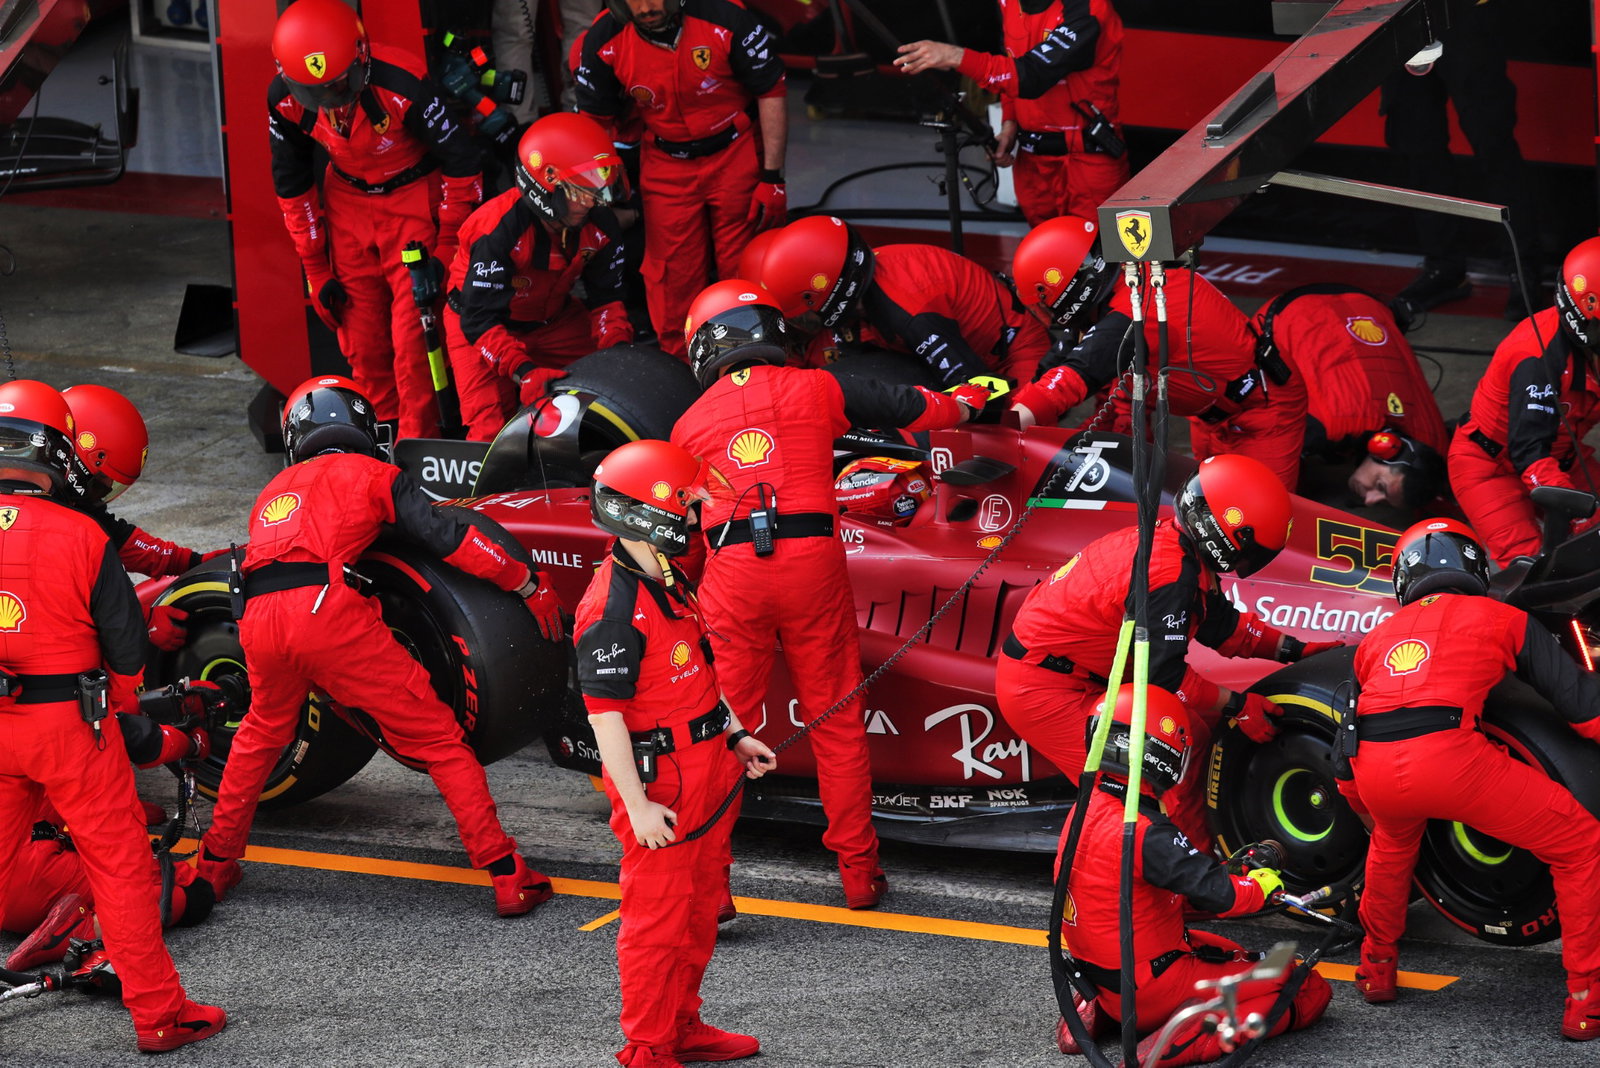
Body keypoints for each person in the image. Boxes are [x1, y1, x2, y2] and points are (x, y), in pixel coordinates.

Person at [670, 280, 988, 908]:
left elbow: (680, 536)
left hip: (733, 572)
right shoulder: (818, 386)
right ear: (767, 330)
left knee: (721, 729)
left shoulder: (685, 424)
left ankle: (711, 886)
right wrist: (969, 400)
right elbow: (911, 406)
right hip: (814, 561)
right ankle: (858, 874)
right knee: (837, 721)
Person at [196, 376, 563, 916]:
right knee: (440, 741)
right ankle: (509, 876)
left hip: (257, 620)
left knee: (258, 739)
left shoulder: (274, 493)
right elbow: (448, 536)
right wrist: (524, 582)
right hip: (325, 614)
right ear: (364, 428)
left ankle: (214, 866)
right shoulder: (373, 472)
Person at [0, 379, 225, 1052]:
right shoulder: (80, 532)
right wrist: (157, 733)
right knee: (124, 870)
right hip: (69, 729)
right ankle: (160, 1016)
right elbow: (128, 655)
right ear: (58, 452)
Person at [995, 453, 1340, 852]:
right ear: (1226, 534)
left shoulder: (1174, 546)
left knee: (1196, 739)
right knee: (1153, 771)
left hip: (1092, 676)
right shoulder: (1169, 574)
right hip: (1048, 689)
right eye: (1252, 549)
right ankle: (1191, 884)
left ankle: (1208, 858)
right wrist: (1239, 705)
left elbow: (1223, 625)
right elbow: (1162, 678)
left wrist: (1296, 650)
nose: (1252, 561)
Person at [1343, 517, 1600, 1039]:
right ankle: (1587, 1000)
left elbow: (1343, 738)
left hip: (1373, 769)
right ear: (1476, 567)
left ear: (1404, 580)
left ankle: (1375, 973)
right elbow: (1581, 707)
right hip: (1453, 758)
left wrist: (1361, 801)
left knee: (1391, 849)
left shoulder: (1373, 640)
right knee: (1579, 843)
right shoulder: (1501, 615)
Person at [575, 438, 777, 1068]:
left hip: (708, 765)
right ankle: (647, 1047)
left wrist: (736, 733)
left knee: (695, 910)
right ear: (647, 514)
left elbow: (699, 678)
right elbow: (603, 716)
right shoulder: (613, 608)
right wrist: (636, 806)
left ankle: (680, 1024)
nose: (694, 518)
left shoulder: (663, 574)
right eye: (686, 506)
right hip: (659, 782)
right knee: (655, 920)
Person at [1060, 684, 1331, 1065]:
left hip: (1110, 976)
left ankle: (1101, 1010)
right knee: (1301, 981)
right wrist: (1261, 885)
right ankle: (1187, 1035)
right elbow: (1219, 896)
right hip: (1153, 985)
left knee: (1229, 950)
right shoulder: (1144, 830)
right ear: (1165, 752)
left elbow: (1175, 879)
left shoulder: (1085, 808)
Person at [269, 0, 483, 440]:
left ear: (361, 54)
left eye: (339, 84)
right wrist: (314, 267)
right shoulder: (284, 99)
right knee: (362, 343)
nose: (330, 100)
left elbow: (464, 164)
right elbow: (291, 185)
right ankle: (380, 445)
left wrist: (447, 246)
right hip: (346, 207)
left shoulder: (401, 83)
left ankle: (414, 452)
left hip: (413, 206)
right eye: (317, 92)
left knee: (413, 348)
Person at [1008, 215, 1309, 490]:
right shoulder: (1128, 286)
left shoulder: (1140, 308)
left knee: (1260, 526)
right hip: (1209, 413)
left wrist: (1007, 426)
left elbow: (1075, 375)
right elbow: (1064, 365)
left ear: (1073, 288)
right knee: (1208, 504)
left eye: (1046, 303)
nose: (1047, 314)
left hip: (1263, 412)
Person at [576, 0, 787, 358]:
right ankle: (678, 366)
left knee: (747, 266)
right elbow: (593, 123)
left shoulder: (726, 17)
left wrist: (773, 177)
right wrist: (604, 189)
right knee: (671, 276)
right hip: (664, 163)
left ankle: (761, 358)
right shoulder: (603, 39)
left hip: (735, 155)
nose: (646, 7)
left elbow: (771, 91)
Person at [444, 112, 633, 441]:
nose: (592, 201)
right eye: (580, 190)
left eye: (597, 186)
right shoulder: (496, 231)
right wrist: (523, 370)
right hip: (478, 326)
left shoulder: (600, 223)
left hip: (554, 321)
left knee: (616, 398)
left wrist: (615, 353)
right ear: (545, 187)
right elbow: (478, 322)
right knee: (489, 434)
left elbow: (607, 302)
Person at [5, 690, 219, 971]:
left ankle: (70, 912)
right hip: (24, 876)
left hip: (14, 851)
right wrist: (191, 744)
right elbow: (141, 739)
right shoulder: (67, 695)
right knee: (195, 892)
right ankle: (77, 933)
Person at [893, 0, 1127, 226]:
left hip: (1086, 162)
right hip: (1031, 163)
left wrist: (956, 57)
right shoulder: (1008, 3)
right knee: (1046, 261)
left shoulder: (1090, 8)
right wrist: (1010, 121)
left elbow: (1031, 75)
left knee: (1099, 257)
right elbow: (1012, 59)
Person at [1383, 0, 1541, 322]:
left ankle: (1523, 272)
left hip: (1465, 12)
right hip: (1398, 14)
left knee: (1493, 143)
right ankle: (1444, 266)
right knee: (1418, 145)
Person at [757, 215, 1050, 388]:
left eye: (806, 313)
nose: (806, 325)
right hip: (972, 350)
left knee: (1010, 437)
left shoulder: (909, 311)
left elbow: (975, 391)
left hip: (1014, 357)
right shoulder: (873, 286)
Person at [1449, 236, 1600, 565]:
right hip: (1490, 467)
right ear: (1584, 315)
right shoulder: (1536, 356)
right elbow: (1528, 451)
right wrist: (1578, 511)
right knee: (1533, 570)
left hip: (1562, 457)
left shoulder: (1588, 343)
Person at [1251, 285, 1449, 513]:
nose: (1370, 500)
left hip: (1368, 305)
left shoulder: (1435, 440)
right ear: (1382, 448)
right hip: (1290, 311)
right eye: (1380, 487)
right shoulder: (1318, 426)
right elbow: (1238, 438)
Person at [62, 384, 222, 650]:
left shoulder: (72, 501)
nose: (104, 494)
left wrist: (194, 562)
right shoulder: (29, 511)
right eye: (103, 484)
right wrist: (141, 620)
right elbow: (62, 596)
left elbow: (121, 539)